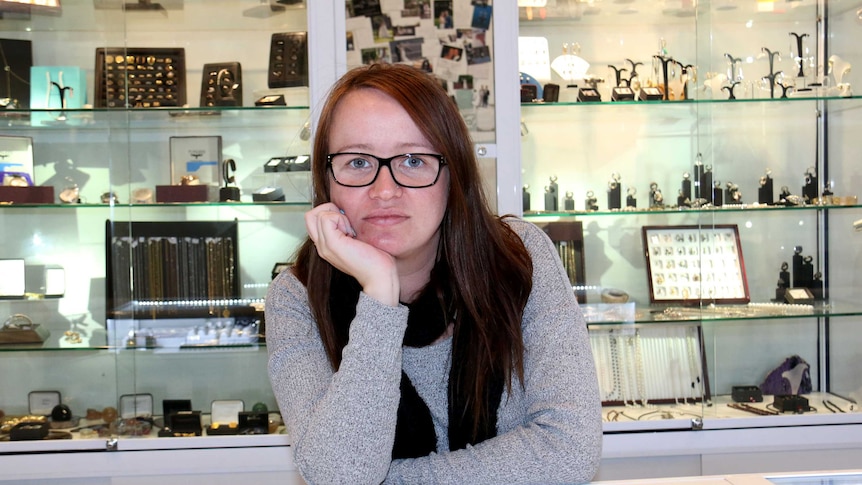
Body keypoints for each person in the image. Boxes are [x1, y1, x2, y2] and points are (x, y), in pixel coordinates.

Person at [266, 63, 602, 484]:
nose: (384, 190)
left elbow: (569, 453)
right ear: (326, 182)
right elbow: (341, 474)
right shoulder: (297, 298)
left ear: (452, 173)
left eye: (412, 160)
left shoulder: (519, 258)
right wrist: (379, 293)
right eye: (356, 162)